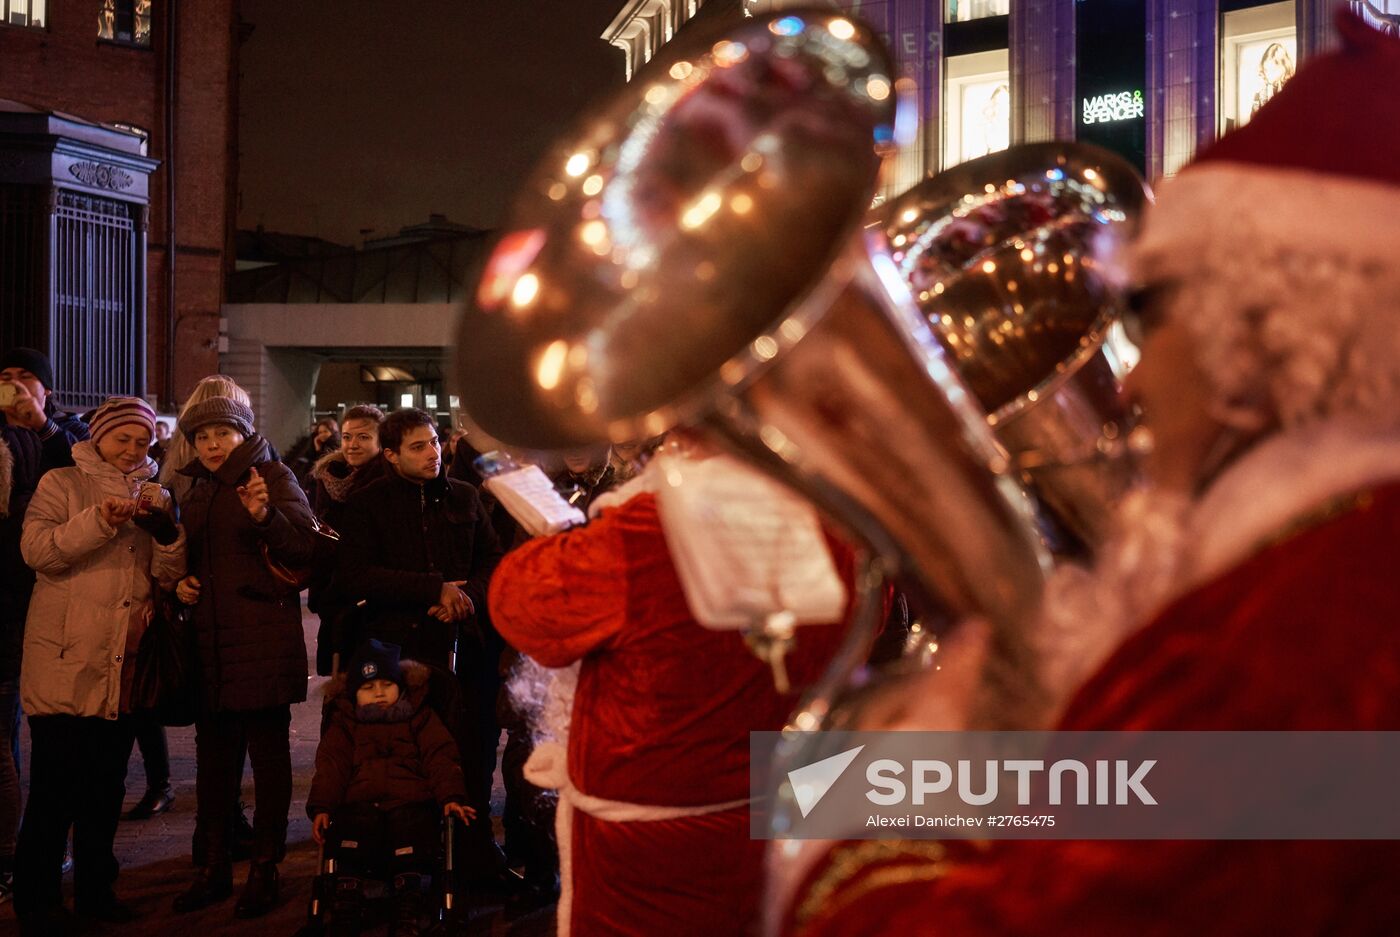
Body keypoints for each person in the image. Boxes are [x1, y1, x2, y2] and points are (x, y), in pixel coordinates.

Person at [780, 11, 1400, 935]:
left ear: (1265, 337)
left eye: (1155, 317)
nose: (1137, 377)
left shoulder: (1296, 630)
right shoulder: (1326, 566)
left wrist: (905, 758)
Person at [489, 439, 851, 936]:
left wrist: (565, 540)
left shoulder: (647, 526)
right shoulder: (833, 513)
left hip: (657, 830)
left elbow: (520, 605)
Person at [11, 397, 184, 935]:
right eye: (122, 438)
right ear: (99, 437)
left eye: (142, 440)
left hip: (124, 664)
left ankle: (95, 888)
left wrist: (167, 533)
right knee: (53, 790)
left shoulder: (158, 491)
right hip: (65, 659)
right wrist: (98, 521)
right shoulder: (61, 484)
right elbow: (39, 551)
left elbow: (168, 573)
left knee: (106, 788)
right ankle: (36, 899)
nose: (133, 449)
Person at [337, 408, 507, 885]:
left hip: (466, 642)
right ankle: (409, 852)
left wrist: (466, 597)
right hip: (397, 646)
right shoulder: (368, 503)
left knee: (472, 747)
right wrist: (431, 590)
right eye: (417, 446)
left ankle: (472, 850)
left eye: (434, 442)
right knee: (406, 749)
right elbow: (356, 574)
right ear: (390, 455)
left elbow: (492, 561)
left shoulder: (465, 496)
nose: (432, 453)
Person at [171, 396, 317, 919]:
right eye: (202, 437)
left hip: (261, 641)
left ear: (242, 434)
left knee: (269, 761)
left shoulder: (271, 477)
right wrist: (182, 583)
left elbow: (305, 549)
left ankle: (265, 870)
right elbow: (190, 554)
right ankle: (212, 869)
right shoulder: (197, 485)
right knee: (213, 767)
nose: (211, 445)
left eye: (222, 435)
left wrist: (264, 515)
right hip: (210, 645)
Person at [307, 639, 476, 936]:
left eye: (386, 685)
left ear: (400, 686)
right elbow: (332, 766)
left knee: (412, 826)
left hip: (410, 801)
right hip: (359, 802)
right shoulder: (346, 723)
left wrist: (451, 796)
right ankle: (347, 898)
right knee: (350, 829)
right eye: (369, 688)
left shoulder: (419, 716)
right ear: (354, 693)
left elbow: (440, 755)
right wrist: (322, 806)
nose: (379, 694)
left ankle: (407, 899)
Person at [0, 347, 88, 906]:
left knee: (54, 740)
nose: (12, 387)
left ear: (47, 388)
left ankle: (39, 848)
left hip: (48, 605)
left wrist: (41, 424)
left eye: (25, 378)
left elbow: (83, 474)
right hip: (7, 607)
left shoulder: (66, 436)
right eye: (4, 378)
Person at [308, 404, 387, 674]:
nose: (352, 444)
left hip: (374, 601)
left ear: (381, 440)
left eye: (363, 437)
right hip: (334, 597)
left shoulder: (388, 480)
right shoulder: (329, 476)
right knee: (339, 685)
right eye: (346, 437)